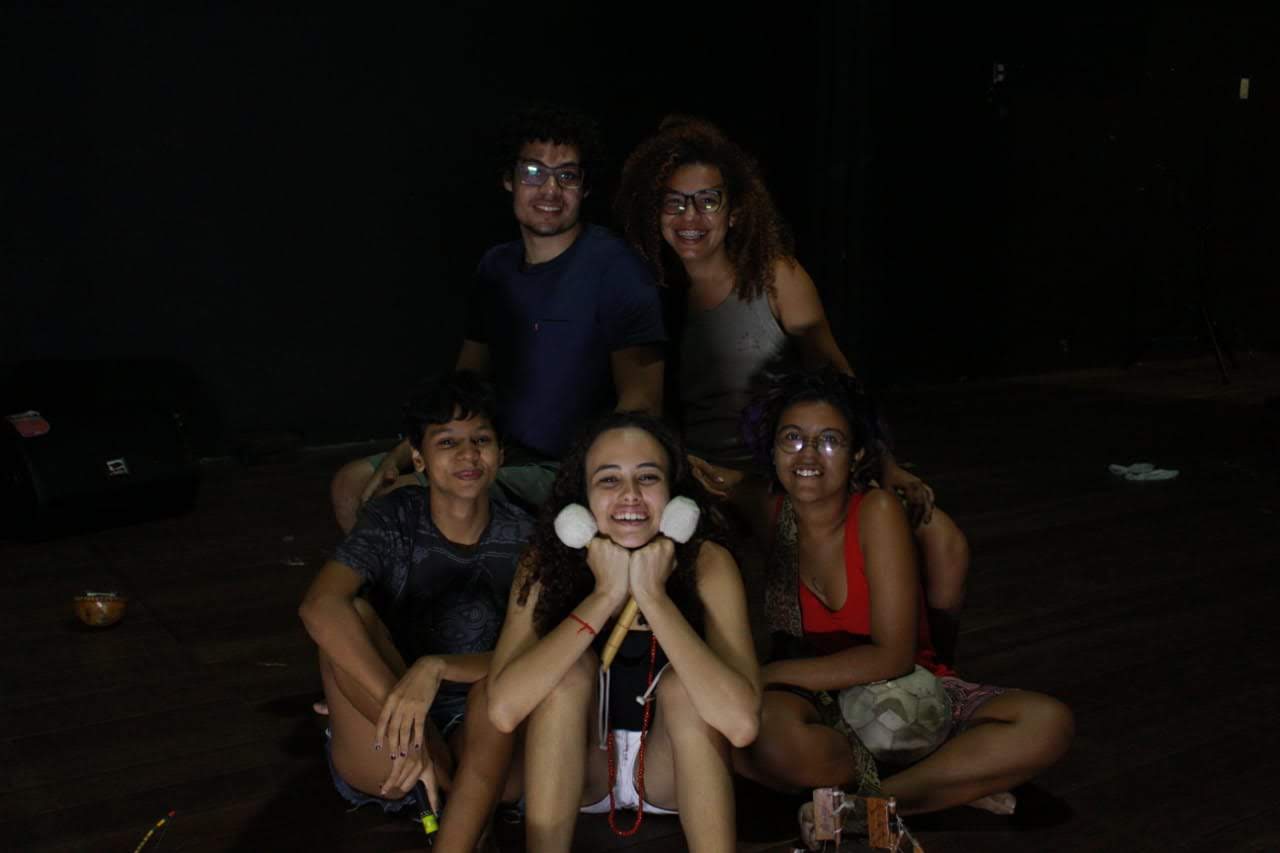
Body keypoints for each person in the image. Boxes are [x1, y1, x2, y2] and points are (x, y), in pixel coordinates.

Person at [616, 116, 967, 662]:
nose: (691, 217)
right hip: (705, 470)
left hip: (796, 457)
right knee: (760, 549)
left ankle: (933, 673)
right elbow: (641, 403)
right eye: (675, 203)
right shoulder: (647, 294)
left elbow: (838, 378)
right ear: (654, 210)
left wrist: (886, 462)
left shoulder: (775, 276)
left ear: (734, 211)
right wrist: (677, 464)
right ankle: (785, 671)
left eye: (707, 201)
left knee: (943, 541)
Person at [734, 368, 1073, 842]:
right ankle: (944, 784)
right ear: (772, 450)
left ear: (856, 455)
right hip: (816, 696)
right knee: (767, 742)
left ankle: (862, 809)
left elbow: (892, 657)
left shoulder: (875, 511)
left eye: (829, 440)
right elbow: (690, 474)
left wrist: (763, 675)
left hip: (907, 694)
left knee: (1048, 723)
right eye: (792, 438)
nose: (807, 454)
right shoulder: (762, 503)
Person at [331, 105, 665, 532]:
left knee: (409, 498)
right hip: (498, 451)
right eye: (533, 172)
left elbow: (642, 404)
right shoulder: (495, 268)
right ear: (509, 179)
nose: (550, 189)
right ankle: (400, 576)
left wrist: (589, 473)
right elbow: (466, 383)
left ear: (584, 188)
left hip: (566, 467)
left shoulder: (617, 271)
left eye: (566, 176)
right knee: (351, 483)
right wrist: (411, 449)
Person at [485, 412, 761, 853]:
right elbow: (503, 710)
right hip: (580, 771)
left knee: (684, 686)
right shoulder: (544, 562)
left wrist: (654, 597)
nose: (629, 495)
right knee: (566, 673)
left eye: (647, 477)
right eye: (608, 480)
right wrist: (605, 595)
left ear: (674, 496)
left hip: (672, 771)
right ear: (581, 500)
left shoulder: (709, 562)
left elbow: (741, 724)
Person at [299, 372, 534, 852]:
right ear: (419, 458)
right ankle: (462, 803)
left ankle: (455, 805)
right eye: (447, 442)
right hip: (389, 742)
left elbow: (535, 655)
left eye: (481, 440)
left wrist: (437, 668)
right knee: (349, 618)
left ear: (501, 453)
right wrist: (409, 724)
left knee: (498, 688)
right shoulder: (394, 516)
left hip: (484, 733)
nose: (468, 455)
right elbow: (318, 606)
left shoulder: (526, 535)